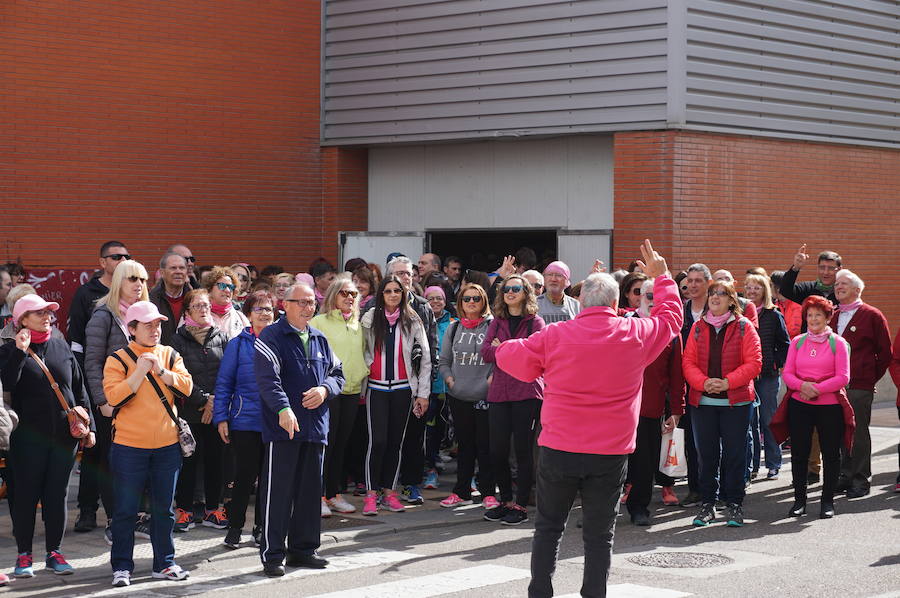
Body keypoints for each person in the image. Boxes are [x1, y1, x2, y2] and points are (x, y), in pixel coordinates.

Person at [494, 241, 680, 598]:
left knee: (548, 527)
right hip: (609, 453)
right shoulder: (634, 334)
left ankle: (541, 591)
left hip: (559, 447)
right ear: (615, 304)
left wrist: (502, 344)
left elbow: (510, 357)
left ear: (582, 302)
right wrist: (663, 277)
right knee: (599, 533)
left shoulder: (556, 335)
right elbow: (671, 320)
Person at [253, 283, 345, 577]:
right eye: (302, 302)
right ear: (286, 304)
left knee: (309, 493)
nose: (309, 308)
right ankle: (273, 554)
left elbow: (337, 373)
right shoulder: (271, 335)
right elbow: (268, 379)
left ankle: (303, 550)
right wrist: (283, 408)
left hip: (315, 427)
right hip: (283, 429)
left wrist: (324, 389)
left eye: (312, 302)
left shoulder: (320, 338)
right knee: (278, 494)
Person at [1, 294, 96, 578]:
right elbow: (7, 385)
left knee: (57, 495)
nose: (47, 317)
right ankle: (23, 555)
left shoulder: (60, 345)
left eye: (49, 312)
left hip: (63, 438)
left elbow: (78, 389)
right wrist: (20, 351)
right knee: (25, 497)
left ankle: (54, 552)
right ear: (22, 320)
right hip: (26, 440)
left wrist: (89, 427)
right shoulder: (8, 350)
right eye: (39, 313)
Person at [102, 301, 193, 586]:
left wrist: (161, 372)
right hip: (129, 447)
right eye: (148, 325)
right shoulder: (117, 359)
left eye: (158, 324)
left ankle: (164, 563)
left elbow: (187, 386)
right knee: (126, 511)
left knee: (164, 510)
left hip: (167, 445)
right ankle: (121, 567)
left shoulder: (169, 353)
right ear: (131, 329)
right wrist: (140, 371)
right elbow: (114, 397)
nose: (156, 330)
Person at [682, 279, 762, 527]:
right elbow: (688, 362)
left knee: (735, 455)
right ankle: (708, 505)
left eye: (722, 294)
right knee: (706, 456)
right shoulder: (698, 327)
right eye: (712, 293)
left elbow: (754, 363)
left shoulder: (744, 327)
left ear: (731, 300)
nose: (715, 297)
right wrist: (704, 383)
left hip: (735, 403)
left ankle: (735, 504)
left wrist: (727, 383)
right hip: (703, 402)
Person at [80, 259, 149, 539]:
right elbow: (92, 362)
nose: (138, 285)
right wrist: (101, 401)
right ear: (119, 280)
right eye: (132, 278)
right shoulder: (104, 315)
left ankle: (136, 517)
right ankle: (113, 520)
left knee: (140, 462)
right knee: (112, 462)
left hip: (143, 403)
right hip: (112, 403)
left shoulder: (146, 314)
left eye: (143, 280)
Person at [776, 296, 852, 519]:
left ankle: (827, 501)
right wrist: (803, 386)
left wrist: (817, 389)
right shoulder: (798, 341)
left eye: (818, 314)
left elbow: (843, 377)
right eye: (809, 315)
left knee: (830, 454)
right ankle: (799, 501)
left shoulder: (837, 342)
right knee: (799, 453)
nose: (813, 319)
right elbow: (788, 373)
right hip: (800, 404)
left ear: (828, 317)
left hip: (829, 406)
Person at [360, 276, 431, 516]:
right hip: (376, 389)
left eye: (397, 291)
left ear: (403, 294)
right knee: (377, 441)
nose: (392, 295)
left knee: (395, 443)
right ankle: (371, 495)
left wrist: (422, 394)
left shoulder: (412, 319)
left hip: (403, 389)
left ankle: (390, 492)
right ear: (381, 294)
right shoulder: (370, 318)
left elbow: (425, 359)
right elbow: (361, 350)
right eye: (388, 291)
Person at [481, 274, 546, 525]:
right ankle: (505, 500)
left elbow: (535, 356)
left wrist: (504, 346)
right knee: (497, 450)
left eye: (516, 288)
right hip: (499, 392)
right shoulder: (497, 321)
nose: (510, 292)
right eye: (506, 289)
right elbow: (486, 352)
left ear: (525, 292)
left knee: (523, 451)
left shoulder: (536, 322)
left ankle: (520, 504)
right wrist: (514, 348)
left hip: (527, 393)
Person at [214, 290, 275, 549]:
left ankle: (261, 528)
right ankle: (235, 527)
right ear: (248, 314)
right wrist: (221, 417)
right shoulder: (238, 343)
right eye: (259, 309)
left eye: (269, 309)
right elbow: (224, 383)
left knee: (269, 479)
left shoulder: (281, 342)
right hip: (244, 421)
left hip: (275, 422)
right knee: (244, 478)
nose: (264, 313)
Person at [622, 279, 685, 524]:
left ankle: (639, 508)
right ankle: (600, 509)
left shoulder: (670, 333)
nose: (651, 300)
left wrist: (677, 410)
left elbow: (677, 375)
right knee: (609, 462)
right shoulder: (624, 323)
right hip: (618, 406)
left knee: (645, 463)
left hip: (650, 407)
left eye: (657, 297)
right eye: (646, 295)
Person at [170, 289, 230, 532]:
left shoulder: (222, 337)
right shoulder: (178, 339)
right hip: (190, 410)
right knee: (188, 461)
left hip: (216, 411)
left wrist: (214, 402)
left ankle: (213, 509)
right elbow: (177, 377)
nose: (203, 310)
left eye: (206, 305)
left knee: (217, 461)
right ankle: (183, 509)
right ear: (187, 312)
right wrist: (203, 401)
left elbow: (227, 373)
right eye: (197, 306)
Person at [830, 269, 890, 498]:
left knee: (859, 433)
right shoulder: (832, 316)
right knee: (838, 431)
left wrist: (868, 377)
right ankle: (844, 475)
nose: (838, 287)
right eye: (837, 284)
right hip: (834, 386)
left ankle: (860, 479)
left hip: (859, 385)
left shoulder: (872, 315)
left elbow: (885, 353)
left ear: (857, 289)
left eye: (844, 283)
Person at [310, 276, 368, 517]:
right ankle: (317, 495)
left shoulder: (358, 325)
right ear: (333, 295)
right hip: (329, 392)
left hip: (352, 391)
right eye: (344, 293)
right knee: (326, 445)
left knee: (341, 446)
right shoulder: (319, 322)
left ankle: (333, 494)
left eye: (353, 294)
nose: (350, 298)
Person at [384, 256, 437, 505]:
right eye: (399, 274)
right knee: (385, 438)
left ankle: (411, 484)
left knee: (414, 437)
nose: (405, 278)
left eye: (408, 274)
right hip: (383, 385)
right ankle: (383, 486)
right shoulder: (374, 306)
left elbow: (431, 351)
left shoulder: (423, 307)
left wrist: (424, 391)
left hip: (415, 384)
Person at [439, 283, 496, 509]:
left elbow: (499, 358)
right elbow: (443, 361)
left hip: (485, 396)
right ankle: (461, 491)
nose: (471, 302)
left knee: (486, 446)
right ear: (460, 303)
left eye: (476, 298)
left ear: (484, 302)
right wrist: (451, 381)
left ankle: (488, 493)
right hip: (459, 395)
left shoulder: (493, 327)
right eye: (466, 299)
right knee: (464, 446)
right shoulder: (453, 328)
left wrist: (488, 383)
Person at [744, 273, 789, 480]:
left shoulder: (773, 314)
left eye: (757, 287)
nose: (752, 291)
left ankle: (773, 463)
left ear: (765, 290)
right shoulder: (741, 313)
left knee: (769, 420)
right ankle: (752, 466)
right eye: (749, 287)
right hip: (747, 375)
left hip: (768, 375)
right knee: (749, 422)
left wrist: (776, 363)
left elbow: (785, 344)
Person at [677, 263, 711, 507]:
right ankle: (695, 488)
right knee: (691, 439)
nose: (694, 284)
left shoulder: (717, 309)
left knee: (713, 440)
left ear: (708, 283)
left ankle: (714, 489)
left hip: (713, 383)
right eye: (690, 280)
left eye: (699, 280)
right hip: (686, 384)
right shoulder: (681, 311)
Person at [67, 240, 130, 367]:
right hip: (96, 368)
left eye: (127, 257)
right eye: (116, 257)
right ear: (103, 262)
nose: (123, 261)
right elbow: (76, 339)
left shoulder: (133, 291)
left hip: (130, 367)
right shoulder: (85, 292)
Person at [421, 285, 455, 489]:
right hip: (431, 387)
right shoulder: (420, 321)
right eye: (430, 298)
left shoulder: (454, 323)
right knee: (431, 432)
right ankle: (431, 469)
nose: (435, 302)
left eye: (439, 298)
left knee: (456, 433)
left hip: (453, 388)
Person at [149, 252, 193, 344]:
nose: (178, 271)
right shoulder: (151, 301)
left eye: (182, 268)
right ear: (162, 272)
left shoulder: (194, 299)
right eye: (173, 268)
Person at [204, 266, 250, 341]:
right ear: (210, 288)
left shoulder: (241, 318)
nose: (227, 290)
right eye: (222, 286)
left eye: (231, 287)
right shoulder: (199, 314)